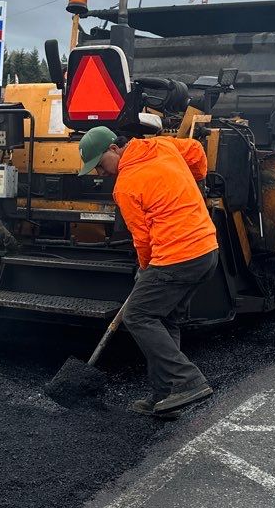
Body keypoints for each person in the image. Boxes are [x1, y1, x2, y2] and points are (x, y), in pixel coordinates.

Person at [78, 125, 218, 416]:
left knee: (138, 315)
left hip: (177, 255)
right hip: (206, 250)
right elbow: (196, 151)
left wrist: (145, 269)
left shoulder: (126, 185)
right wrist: (192, 181)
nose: (99, 174)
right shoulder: (162, 146)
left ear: (114, 148)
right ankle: (165, 395)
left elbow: (141, 238)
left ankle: (187, 380)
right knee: (165, 319)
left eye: (100, 165)